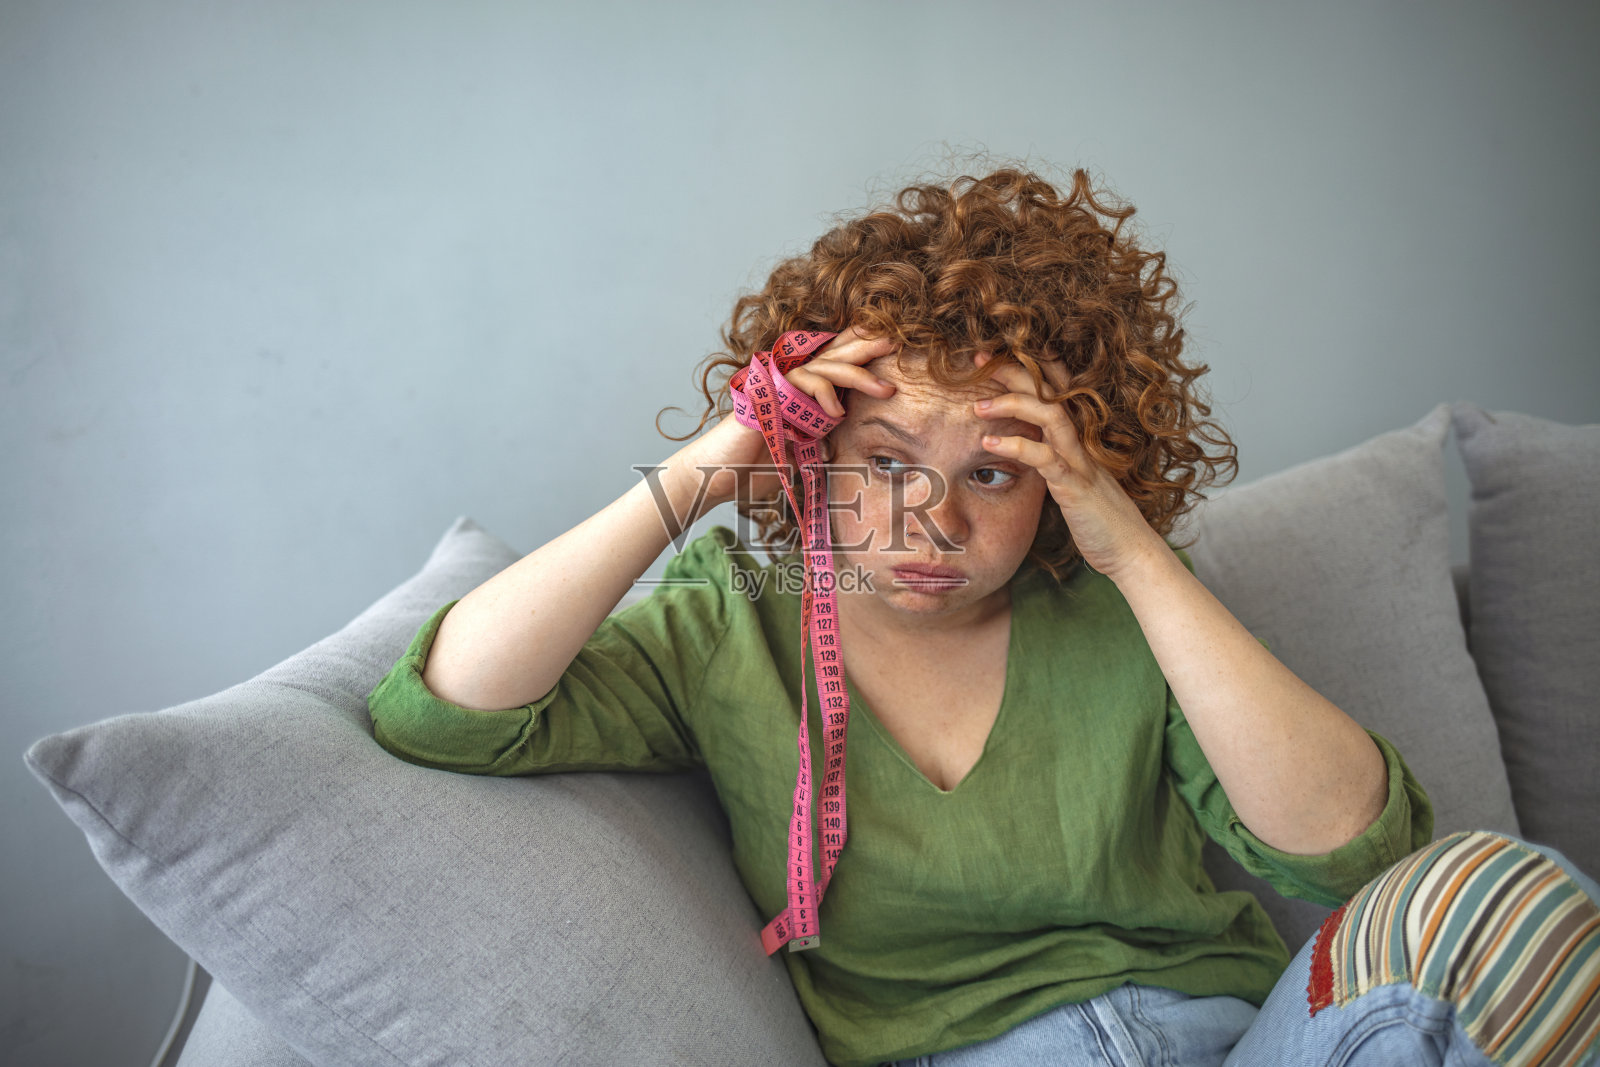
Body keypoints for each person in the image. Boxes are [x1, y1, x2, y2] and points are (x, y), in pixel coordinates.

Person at [367, 165, 1600, 1066]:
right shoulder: (725, 626)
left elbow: (1355, 851)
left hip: (1240, 1043)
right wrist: (717, 458)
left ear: (1063, 479)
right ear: (814, 449)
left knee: (1507, 890)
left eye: (994, 470)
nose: (933, 520)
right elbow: (447, 707)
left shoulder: (1124, 615)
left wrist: (1133, 554)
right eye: (886, 459)